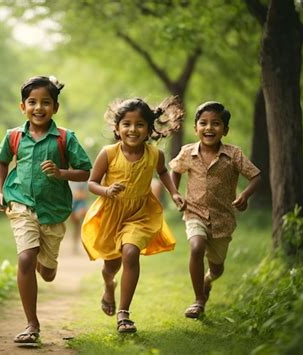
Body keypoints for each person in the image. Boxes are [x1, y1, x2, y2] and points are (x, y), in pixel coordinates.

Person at [0, 76, 92, 346]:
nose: (38, 107)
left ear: (55, 108)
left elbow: (86, 170)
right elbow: (1, 163)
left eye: (45, 103)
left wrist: (61, 173)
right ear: (22, 106)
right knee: (25, 259)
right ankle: (31, 325)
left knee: (46, 272)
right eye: (32, 102)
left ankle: (44, 261)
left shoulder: (65, 138)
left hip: (55, 211)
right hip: (21, 204)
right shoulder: (14, 136)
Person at [81, 97, 186, 334]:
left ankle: (124, 314)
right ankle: (109, 286)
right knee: (111, 267)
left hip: (140, 214)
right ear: (117, 129)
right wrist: (106, 190)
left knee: (130, 252)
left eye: (140, 124)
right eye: (126, 124)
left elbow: (163, 172)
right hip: (111, 214)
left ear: (150, 129)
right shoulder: (108, 153)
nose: (133, 129)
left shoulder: (155, 154)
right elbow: (91, 183)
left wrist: (175, 194)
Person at [169, 101, 261, 319]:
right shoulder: (187, 152)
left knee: (217, 268)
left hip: (223, 219)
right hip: (194, 212)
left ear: (225, 130)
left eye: (216, 124)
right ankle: (198, 300)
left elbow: (256, 176)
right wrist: (175, 193)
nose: (209, 128)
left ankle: (208, 279)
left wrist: (245, 195)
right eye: (203, 123)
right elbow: (174, 170)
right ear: (195, 128)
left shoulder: (234, 154)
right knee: (196, 247)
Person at [69, 181, 89, 254]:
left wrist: (78, 195)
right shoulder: (69, 179)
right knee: (75, 225)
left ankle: (78, 245)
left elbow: (85, 194)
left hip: (80, 203)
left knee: (78, 224)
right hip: (71, 202)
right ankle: (75, 245)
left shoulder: (83, 181)